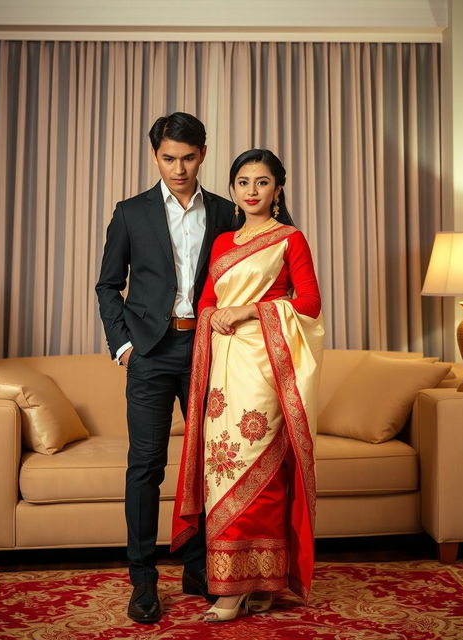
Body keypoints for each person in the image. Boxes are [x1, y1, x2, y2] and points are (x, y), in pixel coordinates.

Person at [171, 149, 324, 622]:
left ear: (278, 189)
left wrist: (251, 310)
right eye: (242, 182)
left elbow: (311, 304)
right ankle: (247, 583)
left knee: (260, 472)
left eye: (262, 182)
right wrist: (217, 314)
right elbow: (209, 303)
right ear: (234, 189)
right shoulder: (221, 243)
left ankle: (253, 585)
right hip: (221, 370)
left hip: (265, 367)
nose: (251, 191)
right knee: (221, 472)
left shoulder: (289, 240)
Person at [96, 112, 235, 624]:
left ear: (203, 154)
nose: (179, 168)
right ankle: (144, 580)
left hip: (208, 354)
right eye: (169, 158)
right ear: (155, 155)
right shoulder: (130, 213)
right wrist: (124, 346)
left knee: (204, 464)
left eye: (189, 158)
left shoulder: (225, 212)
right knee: (146, 467)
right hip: (150, 354)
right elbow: (108, 284)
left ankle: (197, 568)